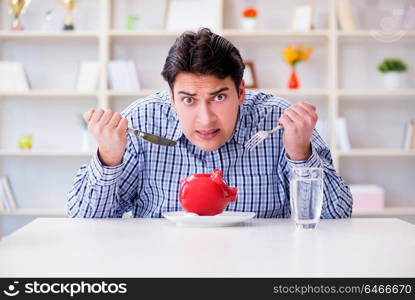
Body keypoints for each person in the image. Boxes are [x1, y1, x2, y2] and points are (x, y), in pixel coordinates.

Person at [67, 28, 352, 218]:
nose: (205, 119)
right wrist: (109, 159)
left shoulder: (279, 121)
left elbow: (337, 216)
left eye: (218, 97)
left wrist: (300, 155)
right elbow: (84, 218)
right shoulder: (142, 120)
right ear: (171, 98)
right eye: (188, 100)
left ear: (241, 92)